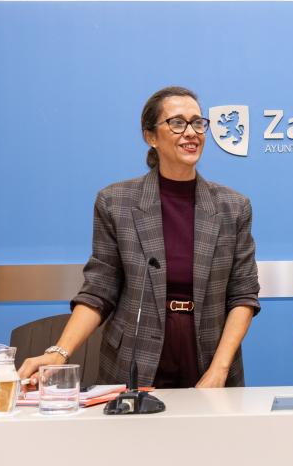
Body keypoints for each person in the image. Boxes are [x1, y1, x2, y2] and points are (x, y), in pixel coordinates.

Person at [18, 86, 260, 388]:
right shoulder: (115, 202)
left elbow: (243, 295)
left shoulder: (232, 207)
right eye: (177, 123)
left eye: (198, 123)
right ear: (150, 137)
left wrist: (219, 369)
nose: (191, 132)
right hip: (134, 360)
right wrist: (59, 352)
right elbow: (99, 290)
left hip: (210, 359)